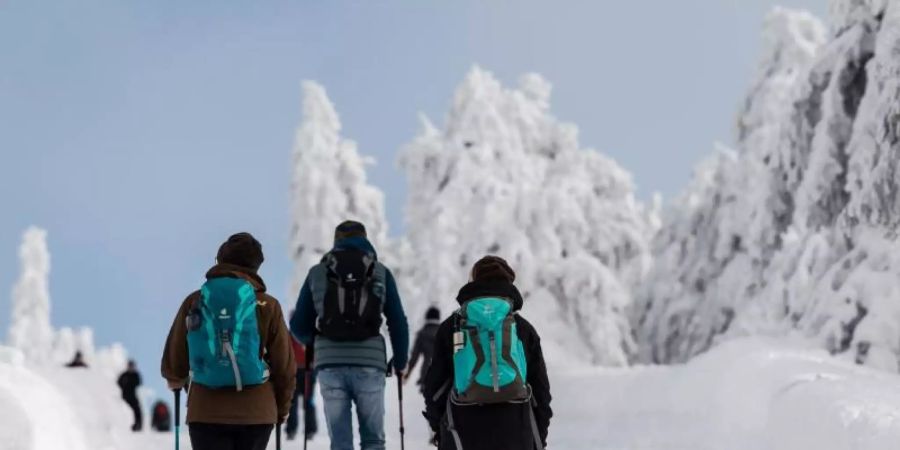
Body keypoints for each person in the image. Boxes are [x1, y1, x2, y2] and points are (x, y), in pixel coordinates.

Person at [161, 232, 296, 450]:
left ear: (220, 260)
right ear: (256, 266)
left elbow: (174, 363)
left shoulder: (195, 301)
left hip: (205, 412)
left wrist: (179, 381)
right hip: (257, 414)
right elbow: (285, 367)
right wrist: (281, 409)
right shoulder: (268, 305)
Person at [291, 220, 409, 450]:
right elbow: (397, 321)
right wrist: (401, 360)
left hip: (330, 365)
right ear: (365, 240)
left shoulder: (317, 273)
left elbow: (298, 325)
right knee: (373, 439)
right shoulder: (380, 272)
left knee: (340, 441)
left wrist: (315, 342)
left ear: (336, 243)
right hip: (370, 364)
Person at [423, 256, 552, 450]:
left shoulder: (453, 327)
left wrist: (439, 429)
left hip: (462, 433)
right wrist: (537, 438)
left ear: (474, 281)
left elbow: (435, 389)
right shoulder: (523, 329)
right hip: (516, 432)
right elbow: (541, 393)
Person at [285, 316, 318, 441]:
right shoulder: (290, 334)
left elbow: (315, 351)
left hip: (307, 371)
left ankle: (309, 430)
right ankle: (291, 430)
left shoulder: (310, 333)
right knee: (292, 403)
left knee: (308, 402)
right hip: (293, 371)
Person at [405, 306, 441, 393]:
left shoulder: (422, 334)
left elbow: (414, 357)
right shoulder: (443, 331)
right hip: (443, 374)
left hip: (426, 375)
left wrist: (407, 374)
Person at [117, 360, 143, 431]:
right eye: (130, 366)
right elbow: (118, 383)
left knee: (137, 410)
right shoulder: (124, 375)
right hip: (124, 397)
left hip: (133, 396)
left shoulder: (135, 375)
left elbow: (139, 383)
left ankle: (138, 425)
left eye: (132, 366)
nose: (131, 368)